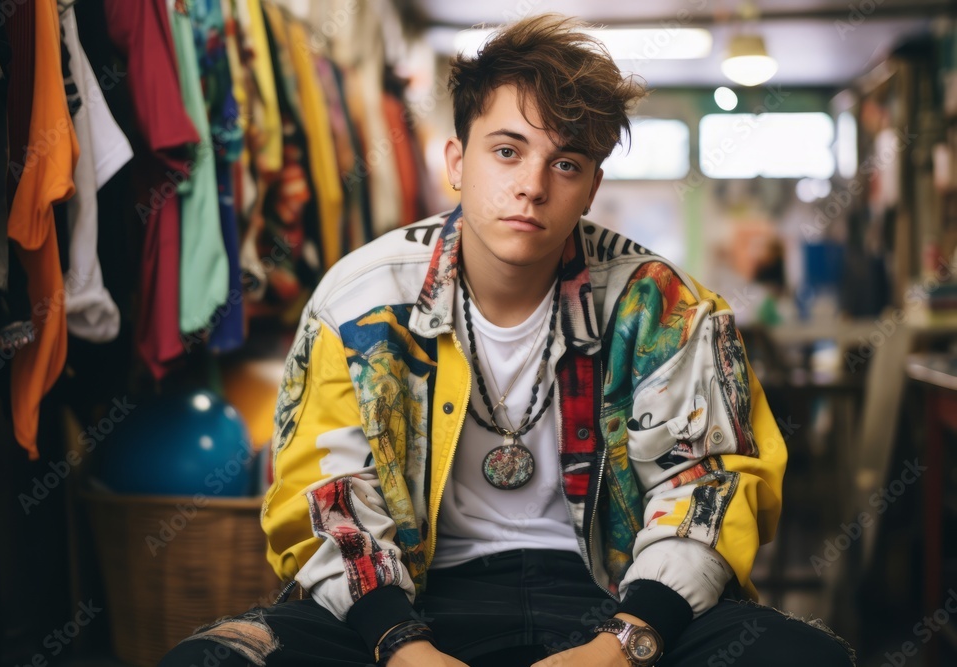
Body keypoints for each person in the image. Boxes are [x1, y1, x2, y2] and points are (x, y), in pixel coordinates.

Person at [159, 13, 854, 667]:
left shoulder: (661, 305)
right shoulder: (360, 298)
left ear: (591, 187)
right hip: (418, 593)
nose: (531, 186)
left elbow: (710, 487)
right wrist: (401, 643)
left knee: (801, 655)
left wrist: (626, 640)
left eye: (566, 163)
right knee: (212, 658)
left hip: (613, 591)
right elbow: (324, 494)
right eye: (507, 151)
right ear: (457, 161)